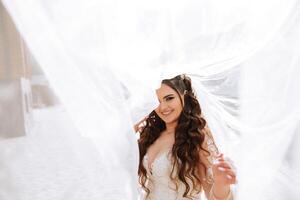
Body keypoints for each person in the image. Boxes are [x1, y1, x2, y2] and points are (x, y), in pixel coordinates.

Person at [135, 74, 236, 200]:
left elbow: (213, 195)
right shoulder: (150, 135)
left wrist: (221, 183)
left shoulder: (197, 136)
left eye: (169, 98)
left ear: (184, 96)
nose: (162, 107)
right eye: (157, 101)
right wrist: (128, 132)